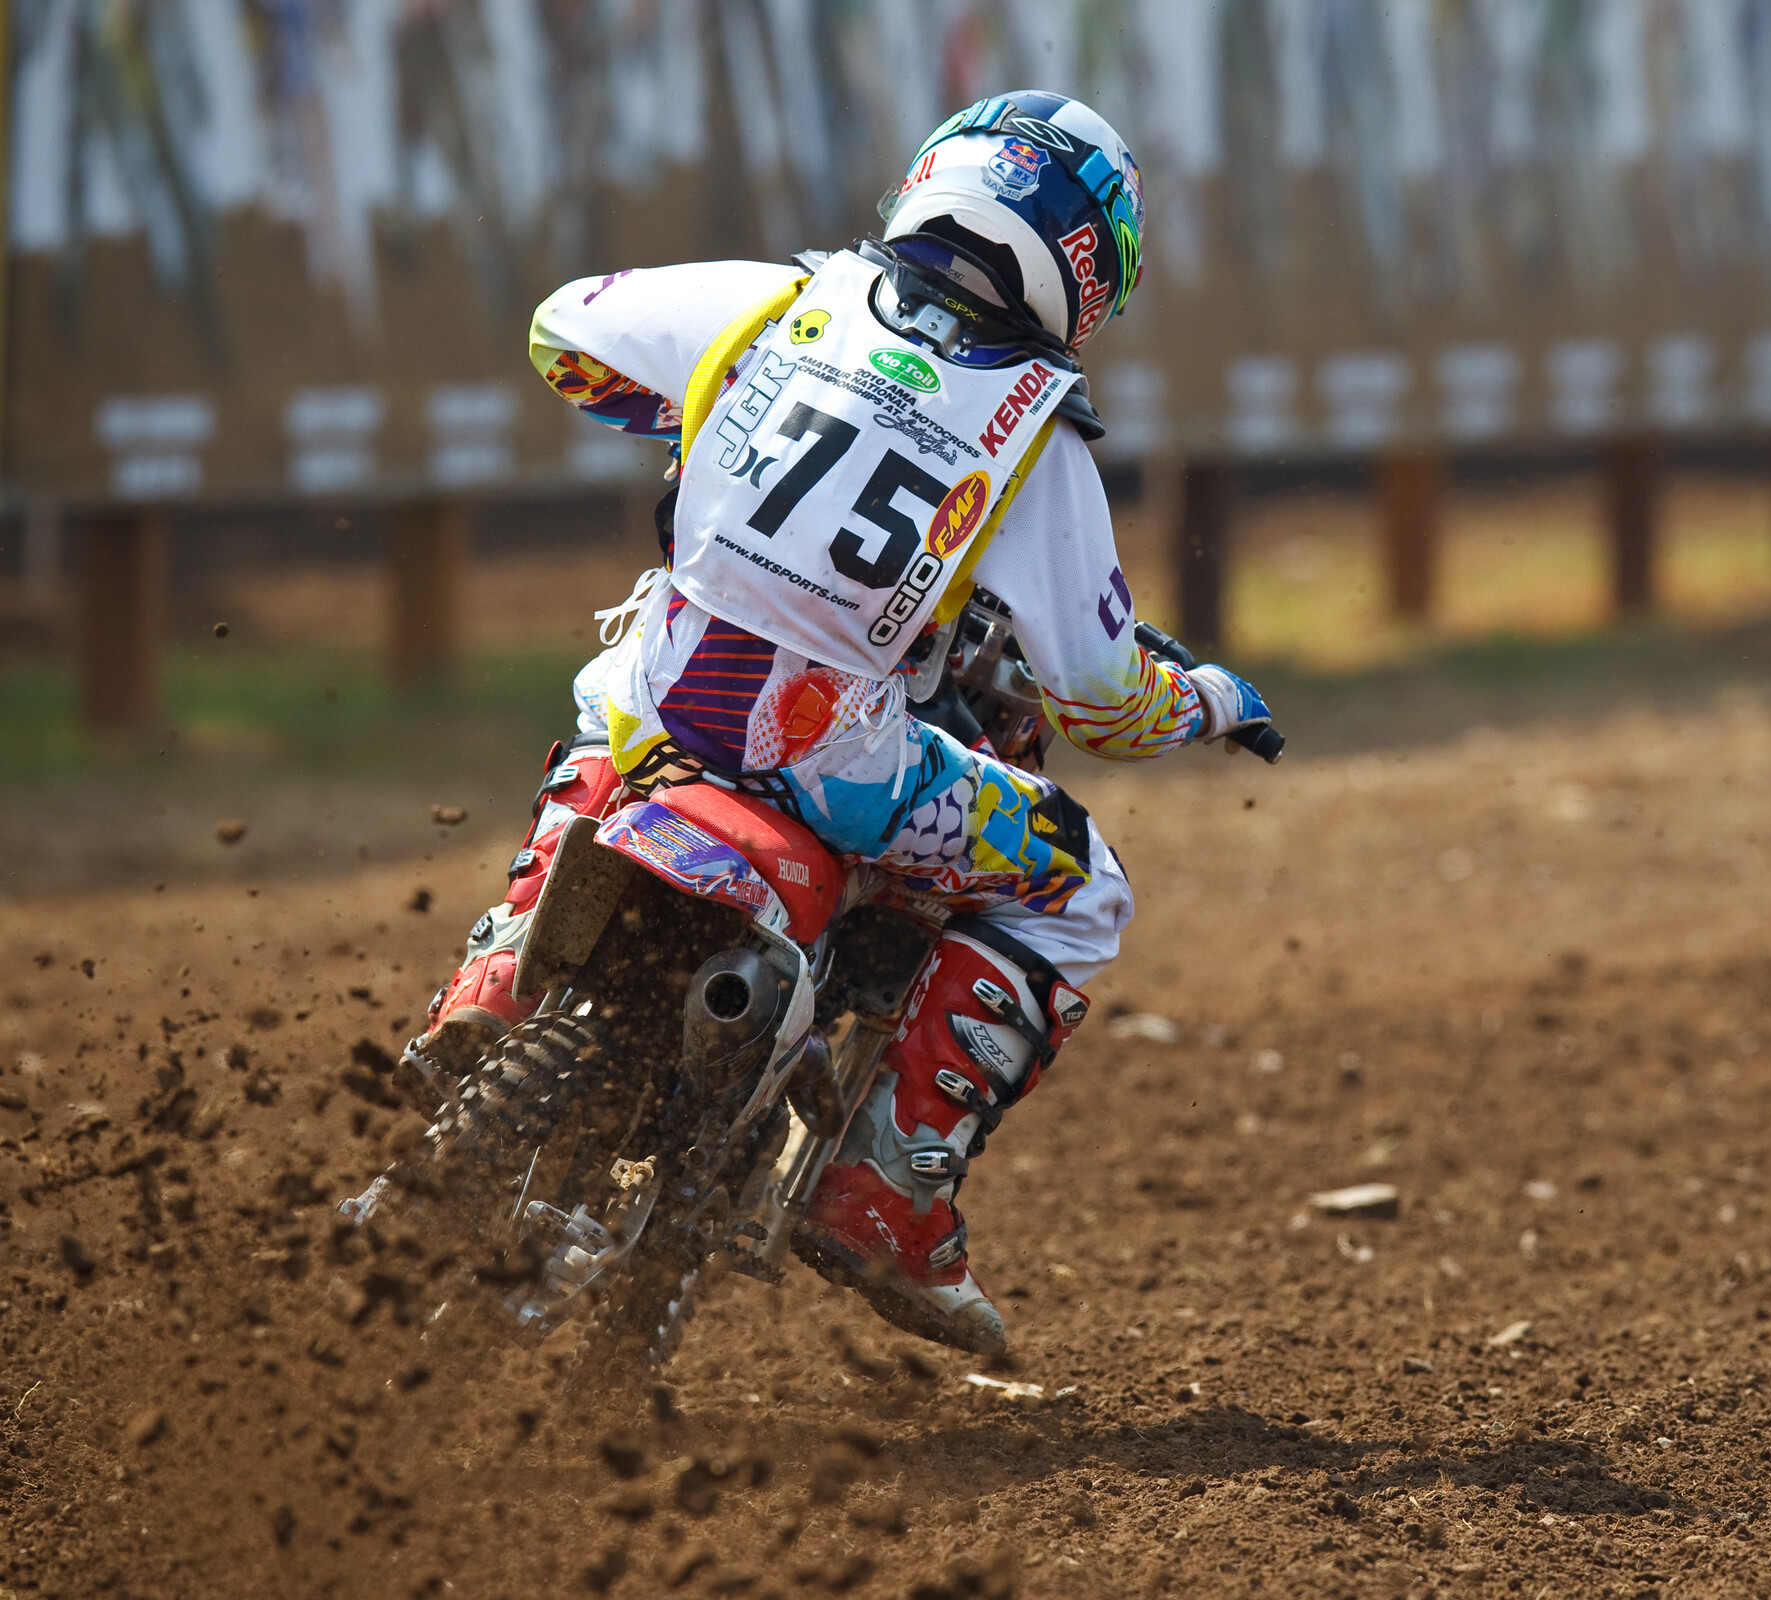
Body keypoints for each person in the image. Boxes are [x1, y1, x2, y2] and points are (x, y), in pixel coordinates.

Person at [400, 92, 1270, 1357]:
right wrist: (1210, 699)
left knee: (614, 712)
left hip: (665, 698)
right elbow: (1098, 697)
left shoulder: (772, 305)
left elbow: (564, 333)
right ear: (1086, 266)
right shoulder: (1036, 438)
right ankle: (886, 1195)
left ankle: (493, 977)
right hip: (839, 759)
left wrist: (711, 411)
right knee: (1081, 887)